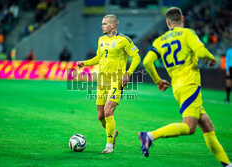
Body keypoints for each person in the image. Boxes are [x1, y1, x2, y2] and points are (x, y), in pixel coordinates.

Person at [139, 7, 231, 167]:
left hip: (177, 87)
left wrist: (158, 80)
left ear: (168, 23)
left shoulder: (159, 41)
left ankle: (227, 164)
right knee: (189, 127)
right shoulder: (187, 33)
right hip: (190, 84)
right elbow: (201, 51)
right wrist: (210, 57)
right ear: (182, 20)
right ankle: (149, 136)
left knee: (208, 127)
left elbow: (147, 61)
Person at [77, 14, 140, 153]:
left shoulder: (124, 40)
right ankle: (113, 132)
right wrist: (85, 63)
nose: (102, 26)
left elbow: (136, 57)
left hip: (116, 81)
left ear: (113, 25)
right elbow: (99, 57)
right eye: (102, 23)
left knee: (108, 112)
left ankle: (109, 146)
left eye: (105, 24)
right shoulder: (101, 39)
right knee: (100, 116)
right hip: (102, 81)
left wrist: (128, 74)